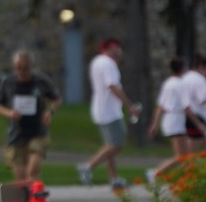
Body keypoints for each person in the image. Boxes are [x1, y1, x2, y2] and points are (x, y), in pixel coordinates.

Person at [77, 37, 141, 193]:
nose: (119, 51)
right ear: (107, 49)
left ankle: (114, 179)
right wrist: (130, 105)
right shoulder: (108, 64)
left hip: (100, 109)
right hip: (110, 111)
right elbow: (113, 86)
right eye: (115, 48)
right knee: (117, 144)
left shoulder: (97, 62)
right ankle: (88, 166)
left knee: (109, 145)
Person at [0, 49, 61, 182]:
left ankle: (33, 189)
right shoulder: (8, 82)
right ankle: (26, 193)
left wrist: (49, 112)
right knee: (20, 177)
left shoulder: (41, 81)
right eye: (18, 68)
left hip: (38, 131)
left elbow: (56, 99)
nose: (22, 72)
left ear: (32, 67)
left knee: (32, 170)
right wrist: (10, 113)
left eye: (25, 68)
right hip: (16, 133)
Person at [147, 56, 191, 180]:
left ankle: (188, 177)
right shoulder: (181, 84)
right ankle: (155, 173)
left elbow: (160, 106)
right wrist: (198, 124)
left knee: (186, 155)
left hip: (169, 119)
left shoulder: (168, 83)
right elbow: (186, 107)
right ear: (182, 68)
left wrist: (155, 124)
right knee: (181, 156)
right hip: (176, 120)